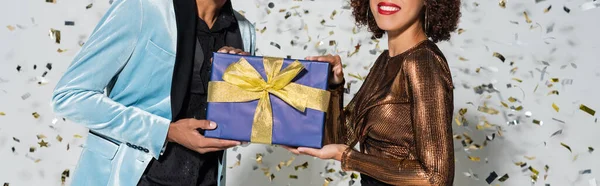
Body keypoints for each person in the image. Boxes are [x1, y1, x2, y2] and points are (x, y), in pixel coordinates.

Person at [51, 0, 255, 185]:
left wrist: (242, 90)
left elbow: (236, 125)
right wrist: (166, 132)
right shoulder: (141, 7)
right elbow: (70, 96)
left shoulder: (244, 31)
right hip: (129, 176)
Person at [284, 0, 460, 185]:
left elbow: (436, 178)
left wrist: (348, 158)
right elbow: (339, 138)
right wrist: (333, 84)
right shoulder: (384, 61)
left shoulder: (423, 62)